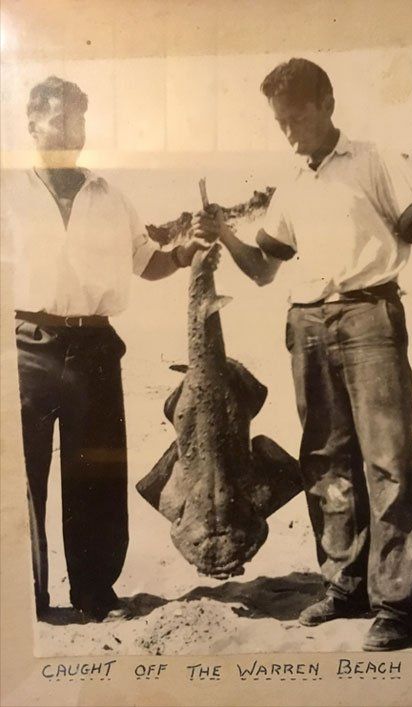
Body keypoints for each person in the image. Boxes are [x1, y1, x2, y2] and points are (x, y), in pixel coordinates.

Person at [192, 58, 412, 651]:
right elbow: (264, 270)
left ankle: (395, 605)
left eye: (297, 118)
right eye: (280, 123)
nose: (289, 133)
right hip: (306, 325)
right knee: (323, 459)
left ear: (327, 105)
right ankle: (344, 586)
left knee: (388, 461)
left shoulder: (374, 160)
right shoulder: (291, 181)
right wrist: (226, 234)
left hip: (370, 318)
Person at [3, 76, 211, 623]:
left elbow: (149, 262)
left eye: (79, 120)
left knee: (94, 472)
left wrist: (185, 252)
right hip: (25, 344)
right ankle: (28, 596)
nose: (71, 131)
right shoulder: (7, 190)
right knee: (21, 476)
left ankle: (94, 593)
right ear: (31, 124)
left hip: (95, 344)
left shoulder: (110, 195)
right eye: (59, 120)